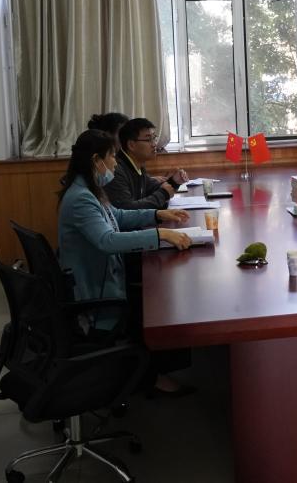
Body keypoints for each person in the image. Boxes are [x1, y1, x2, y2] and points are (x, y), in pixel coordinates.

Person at [57, 128, 194, 395]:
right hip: (96, 294)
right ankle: (150, 377)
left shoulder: (88, 189)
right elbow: (107, 240)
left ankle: (154, 370)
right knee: (159, 304)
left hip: (105, 278)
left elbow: (117, 216)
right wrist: (160, 235)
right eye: (111, 157)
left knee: (160, 293)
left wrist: (157, 215)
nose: (115, 164)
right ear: (96, 160)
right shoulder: (81, 198)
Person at [108, 117, 189, 209]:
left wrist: (174, 181)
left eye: (154, 138)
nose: (154, 144)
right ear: (131, 145)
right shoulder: (116, 170)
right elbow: (127, 209)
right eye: (148, 140)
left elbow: (151, 189)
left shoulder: (138, 163)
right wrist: (164, 194)